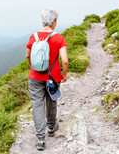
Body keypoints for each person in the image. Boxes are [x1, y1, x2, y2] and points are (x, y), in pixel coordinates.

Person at [26, 8, 69, 151]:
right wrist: (64, 74)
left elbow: (28, 56)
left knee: (37, 105)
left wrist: (33, 68)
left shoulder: (34, 36)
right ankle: (51, 128)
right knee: (51, 102)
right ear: (54, 21)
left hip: (35, 77)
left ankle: (40, 139)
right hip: (53, 76)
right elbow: (65, 60)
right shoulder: (59, 38)